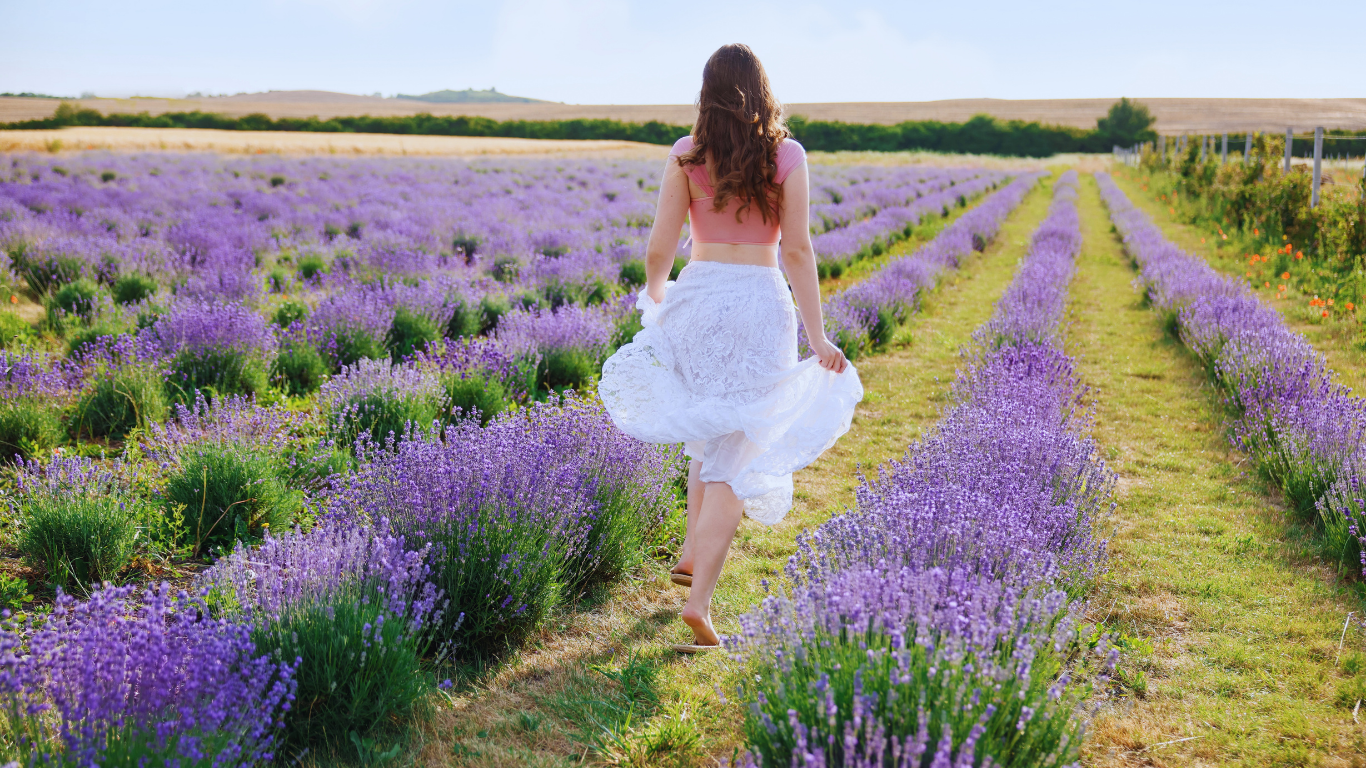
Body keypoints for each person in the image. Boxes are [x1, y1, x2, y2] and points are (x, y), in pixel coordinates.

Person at [598, 43, 862, 652]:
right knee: (738, 452)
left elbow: (659, 247)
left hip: (699, 294)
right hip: (758, 301)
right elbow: (797, 251)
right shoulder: (785, 155)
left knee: (713, 429)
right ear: (761, 91)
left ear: (707, 93)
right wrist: (817, 335)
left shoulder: (687, 155)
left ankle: (693, 550)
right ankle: (699, 604)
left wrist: (659, 300)